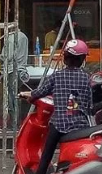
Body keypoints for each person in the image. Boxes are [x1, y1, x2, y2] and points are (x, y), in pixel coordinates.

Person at [20, 39, 92, 174]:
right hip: (80, 126)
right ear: (82, 59)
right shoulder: (86, 77)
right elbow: (89, 105)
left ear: (65, 57)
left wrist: (29, 96)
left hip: (59, 125)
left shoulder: (57, 76)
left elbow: (40, 92)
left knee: (46, 155)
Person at [0, 28, 29, 123]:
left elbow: (8, 56)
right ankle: (17, 121)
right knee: (16, 97)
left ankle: (14, 123)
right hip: (20, 70)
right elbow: (15, 53)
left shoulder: (11, 38)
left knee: (11, 99)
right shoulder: (23, 36)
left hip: (11, 71)